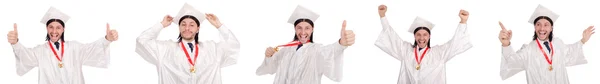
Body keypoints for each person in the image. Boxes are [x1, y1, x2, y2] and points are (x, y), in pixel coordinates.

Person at [7, 7, 118, 84]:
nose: (54, 31)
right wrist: (15, 43)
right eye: (51, 27)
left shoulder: (75, 48)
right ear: (46, 28)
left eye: (58, 27)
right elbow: (26, 56)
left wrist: (107, 39)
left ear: (63, 29)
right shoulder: (40, 51)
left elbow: (92, 49)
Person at [135, 3, 239, 84]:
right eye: (183, 25)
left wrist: (219, 26)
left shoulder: (212, 49)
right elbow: (142, 41)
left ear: (198, 29)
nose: (187, 28)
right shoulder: (165, 49)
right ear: (179, 27)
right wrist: (161, 25)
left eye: (192, 25)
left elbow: (233, 45)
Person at [255, 5, 355, 84]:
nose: (303, 32)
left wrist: (341, 44)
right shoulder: (285, 50)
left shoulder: (316, 50)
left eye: (307, 28)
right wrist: (268, 56)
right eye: (299, 27)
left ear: (312, 29)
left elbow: (330, 51)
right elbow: (270, 68)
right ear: (295, 29)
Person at [374, 5, 472, 84]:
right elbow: (391, 37)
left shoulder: (439, 53)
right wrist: (382, 16)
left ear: (429, 36)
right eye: (418, 35)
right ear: (414, 36)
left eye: (425, 35)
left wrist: (463, 22)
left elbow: (454, 44)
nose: (421, 38)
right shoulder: (406, 50)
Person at [498, 4, 594, 84]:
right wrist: (506, 44)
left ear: (551, 28)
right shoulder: (528, 49)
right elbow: (512, 63)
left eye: (546, 24)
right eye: (538, 24)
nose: (542, 28)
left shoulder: (558, 43)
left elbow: (570, 53)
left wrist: (583, 40)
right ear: (535, 27)